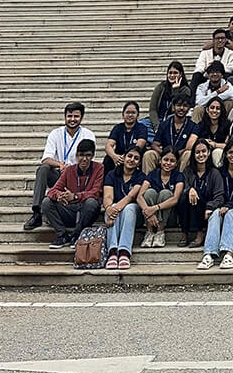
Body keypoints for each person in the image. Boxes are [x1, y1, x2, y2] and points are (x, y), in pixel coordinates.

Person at [23, 102, 96, 231]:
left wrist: (71, 169)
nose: (72, 119)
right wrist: (60, 165)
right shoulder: (55, 133)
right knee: (43, 169)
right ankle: (36, 212)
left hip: (78, 175)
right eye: (69, 116)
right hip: (59, 174)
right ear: (64, 117)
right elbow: (46, 158)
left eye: (76, 116)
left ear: (82, 118)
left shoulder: (88, 134)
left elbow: (88, 159)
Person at [41, 139, 104, 248]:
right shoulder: (69, 170)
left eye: (88, 155)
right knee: (46, 202)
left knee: (92, 202)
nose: (84, 159)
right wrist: (59, 196)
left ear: (93, 155)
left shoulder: (99, 168)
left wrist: (75, 196)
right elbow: (52, 190)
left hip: (86, 210)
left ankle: (77, 235)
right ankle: (62, 235)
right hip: (70, 209)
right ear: (76, 156)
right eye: (81, 155)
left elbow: (96, 192)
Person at [197, 140, 233, 270]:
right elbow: (216, 194)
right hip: (221, 209)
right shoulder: (219, 172)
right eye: (230, 152)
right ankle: (209, 254)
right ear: (225, 154)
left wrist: (229, 206)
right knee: (214, 214)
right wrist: (219, 206)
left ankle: (228, 254)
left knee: (231, 214)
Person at [103, 146, 146, 270]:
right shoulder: (112, 174)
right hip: (117, 212)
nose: (132, 160)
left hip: (133, 213)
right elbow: (108, 196)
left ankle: (124, 252)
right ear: (124, 157)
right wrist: (108, 208)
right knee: (109, 206)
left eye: (136, 158)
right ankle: (112, 251)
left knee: (128, 208)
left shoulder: (140, 176)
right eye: (130, 156)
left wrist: (113, 211)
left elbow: (130, 197)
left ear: (139, 162)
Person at [138, 146, 184, 248]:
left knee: (166, 193)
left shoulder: (178, 176)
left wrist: (154, 208)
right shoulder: (152, 174)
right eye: (166, 159)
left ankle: (160, 232)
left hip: (169, 217)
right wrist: (148, 213)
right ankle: (149, 232)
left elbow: (175, 199)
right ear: (160, 160)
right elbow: (139, 197)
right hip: (149, 218)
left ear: (176, 163)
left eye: (172, 161)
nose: (168, 163)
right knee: (149, 192)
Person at [143, 90, 194, 173]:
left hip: (181, 156)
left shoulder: (193, 126)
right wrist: (165, 153)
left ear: (188, 109)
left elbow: (189, 147)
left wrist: (175, 154)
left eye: (185, 106)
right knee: (149, 154)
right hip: (164, 156)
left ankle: (181, 182)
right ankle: (149, 183)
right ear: (173, 108)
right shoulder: (164, 124)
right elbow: (155, 144)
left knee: (188, 154)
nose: (181, 108)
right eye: (178, 105)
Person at [179, 140, 219, 247]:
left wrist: (210, 207)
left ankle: (200, 234)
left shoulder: (214, 173)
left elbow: (219, 196)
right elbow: (182, 187)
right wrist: (190, 190)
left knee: (199, 196)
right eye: (197, 152)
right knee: (183, 197)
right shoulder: (188, 171)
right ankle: (184, 233)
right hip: (189, 208)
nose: (201, 155)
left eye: (203, 151)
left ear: (209, 152)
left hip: (206, 210)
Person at [190, 28, 233, 95]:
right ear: (213, 40)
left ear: (226, 40)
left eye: (222, 38)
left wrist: (216, 70)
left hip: (223, 77)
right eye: (217, 38)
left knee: (231, 78)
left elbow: (230, 68)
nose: (220, 40)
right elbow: (199, 67)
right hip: (206, 77)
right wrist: (209, 73)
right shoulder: (205, 53)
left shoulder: (231, 53)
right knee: (196, 75)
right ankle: (191, 102)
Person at [148, 60, 188, 129]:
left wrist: (175, 90)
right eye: (170, 73)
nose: (172, 75)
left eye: (175, 73)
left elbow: (175, 109)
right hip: (158, 121)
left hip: (174, 121)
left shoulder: (185, 90)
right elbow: (152, 109)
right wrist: (157, 126)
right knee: (141, 124)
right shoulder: (161, 87)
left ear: (181, 74)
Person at [195, 96, 231, 167]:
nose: (214, 110)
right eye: (212, 108)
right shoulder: (201, 125)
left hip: (220, 156)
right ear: (207, 110)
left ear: (221, 111)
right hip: (203, 153)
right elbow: (193, 143)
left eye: (218, 108)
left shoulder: (227, 125)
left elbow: (228, 146)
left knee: (217, 152)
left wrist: (214, 144)